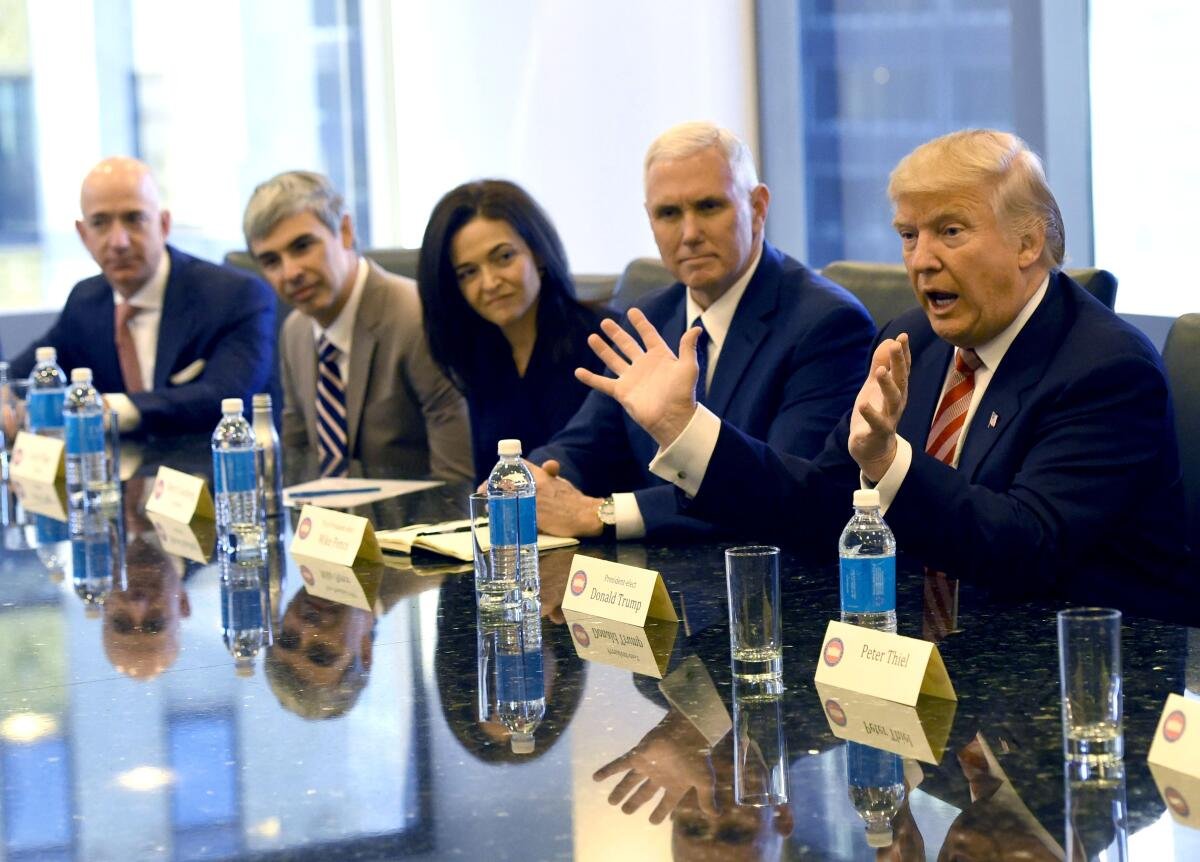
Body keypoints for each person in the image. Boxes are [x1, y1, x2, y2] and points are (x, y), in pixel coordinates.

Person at [577, 129, 1188, 598]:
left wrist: (888, 462)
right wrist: (685, 429)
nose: (921, 261)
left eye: (950, 231)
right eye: (908, 235)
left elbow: (1025, 547)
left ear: (1029, 242)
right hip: (931, 661)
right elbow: (819, 505)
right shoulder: (913, 341)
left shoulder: (1106, 368)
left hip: (1085, 679)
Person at [527, 121, 875, 540]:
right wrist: (531, 483)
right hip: (655, 583)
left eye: (709, 207)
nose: (689, 234)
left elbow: (786, 490)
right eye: (668, 214)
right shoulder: (648, 317)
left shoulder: (827, 323)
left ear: (758, 206)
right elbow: (586, 444)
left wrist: (607, 513)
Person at [9, 157, 276, 435]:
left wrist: (112, 409)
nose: (119, 242)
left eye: (134, 219)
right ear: (83, 234)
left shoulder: (234, 296)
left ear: (163, 225)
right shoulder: (85, 301)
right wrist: (7, 397)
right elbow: (23, 372)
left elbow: (224, 394)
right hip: (120, 474)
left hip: (214, 470)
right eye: (100, 223)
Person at [244, 171, 472, 480]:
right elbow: (298, 464)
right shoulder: (295, 331)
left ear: (346, 231)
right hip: (328, 524)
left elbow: (456, 478)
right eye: (271, 261)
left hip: (417, 525)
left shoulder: (416, 317)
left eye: (302, 246)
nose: (290, 272)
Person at [417, 179, 605, 485]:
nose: (489, 282)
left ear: (539, 255)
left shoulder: (600, 338)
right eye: (468, 272)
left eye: (503, 257)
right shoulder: (480, 353)